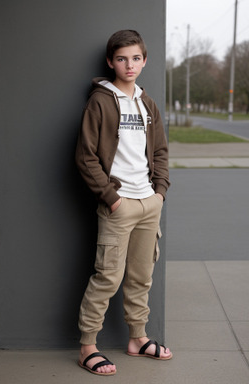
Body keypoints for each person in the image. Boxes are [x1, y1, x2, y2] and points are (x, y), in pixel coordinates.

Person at [75, 29, 172, 376]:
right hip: (119, 204)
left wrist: (159, 192)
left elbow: (159, 151)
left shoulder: (147, 103)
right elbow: (85, 157)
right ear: (110, 62)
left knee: (141, 276)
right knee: (108, 277)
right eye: (121, 58)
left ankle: (137, 338)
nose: (128, 65)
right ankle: (88, 346)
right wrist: (112, 198)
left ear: (144, 61)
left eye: (135, 58)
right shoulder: (101, 101)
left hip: (149, 203)